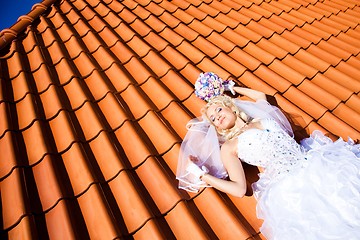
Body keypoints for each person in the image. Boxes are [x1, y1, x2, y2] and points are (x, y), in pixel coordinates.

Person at [176, 72, 360, 239]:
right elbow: (239, 189)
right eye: (213, 120)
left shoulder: (260, 117)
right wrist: (202, 175)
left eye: (218, 110)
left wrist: (229, 88)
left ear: (231, 107)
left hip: (316, 163)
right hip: (293, 186)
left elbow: (261, 96)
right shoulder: (230, 147)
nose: (217, 117)